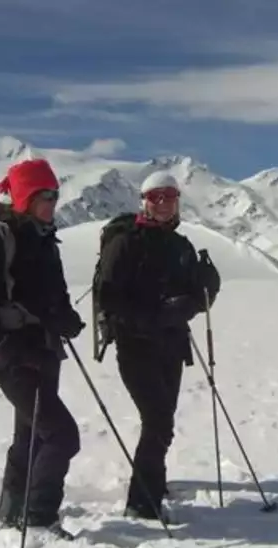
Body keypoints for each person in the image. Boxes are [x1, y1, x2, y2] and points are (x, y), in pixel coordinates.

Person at [0, 158, 85, 536]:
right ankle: (39, 518)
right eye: (43, 195)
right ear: (25, 198)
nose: (52, 202)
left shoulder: (47, 240)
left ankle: (11, 511)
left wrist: (67, 319)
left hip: (45, 352)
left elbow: (56, 296)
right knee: (63, 436)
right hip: (12, 358)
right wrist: (8, 348)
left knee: (30, 435)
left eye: (55, 195)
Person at [95, 170, 221, 521]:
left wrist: (205, 291)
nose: (163, 203)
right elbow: (111, 300)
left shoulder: (181, 246)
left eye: (169, 196)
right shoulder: (125, 243)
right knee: (158, 421)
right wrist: (158, 315)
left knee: (161, 419)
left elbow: (195, 297)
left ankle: (155, 481)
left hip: (172, 347)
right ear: (144, 202)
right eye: (155, 197)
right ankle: (142, 502)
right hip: (136, 347)